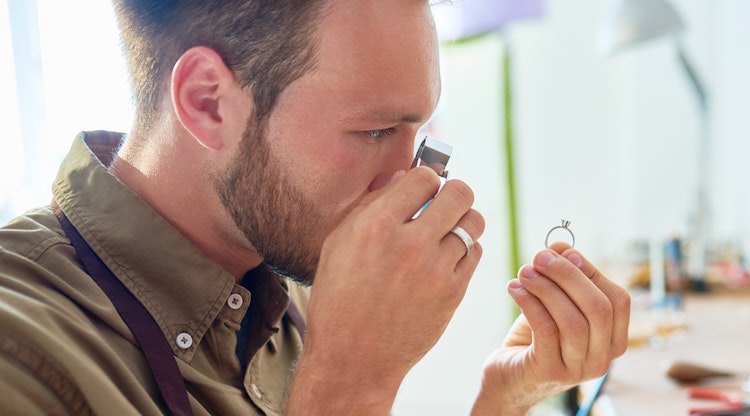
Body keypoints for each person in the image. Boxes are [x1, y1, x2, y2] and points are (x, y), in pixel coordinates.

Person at [0, 0, 631, 414]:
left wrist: (506, 397)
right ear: (208, 101)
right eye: (375, 133)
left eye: (421, 137)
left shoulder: (278, 267)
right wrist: (349, 384)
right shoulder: (23, 357)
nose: (409, 183)